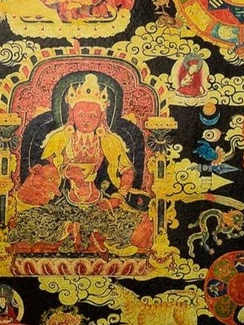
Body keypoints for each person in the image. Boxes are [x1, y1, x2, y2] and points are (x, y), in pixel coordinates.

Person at [12, 73, 152, 255]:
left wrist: (119, 196)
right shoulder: (59, 138)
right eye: (81, 115)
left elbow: (127, 171)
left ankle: (86, 231)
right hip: (65, 200)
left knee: (140, 221)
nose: (86, 120)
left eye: (93, 116)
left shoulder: (110, 140)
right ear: (71, 114)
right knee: (26, 220)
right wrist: (63, 172)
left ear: (102, 117)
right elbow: (46, 170)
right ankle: (74, 229)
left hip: (99, 200)